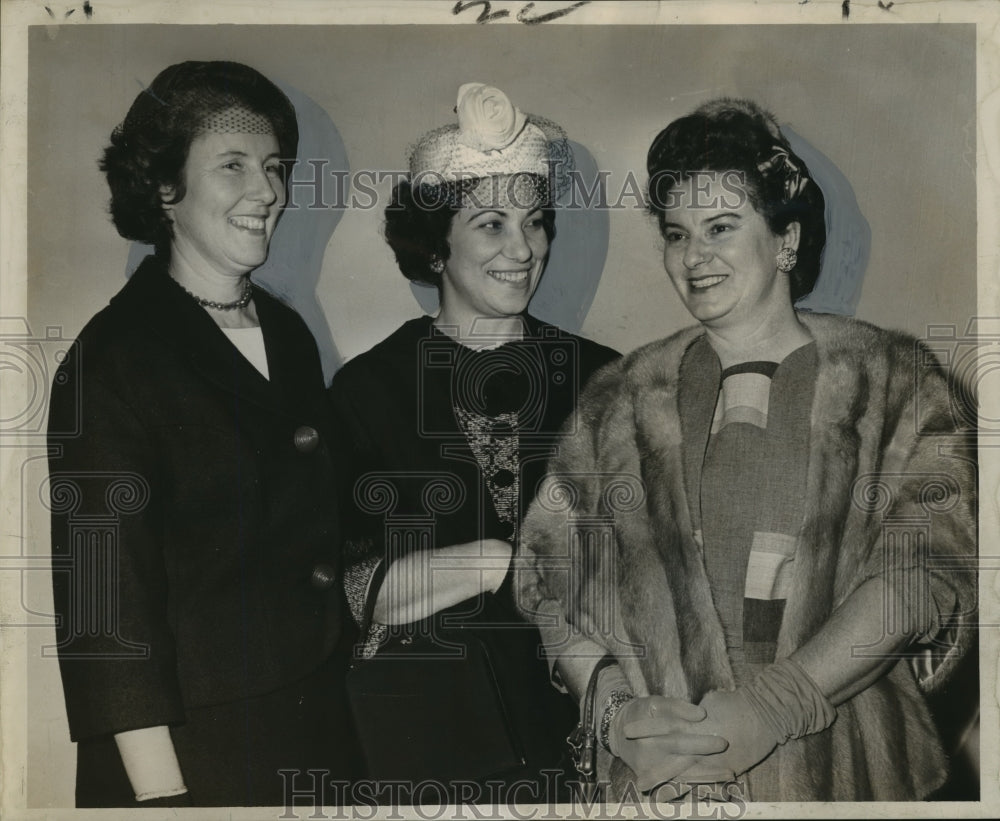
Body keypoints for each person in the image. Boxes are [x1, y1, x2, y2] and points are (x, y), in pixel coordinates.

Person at [515, 98, 977, 802]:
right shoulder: (618, 397)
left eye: (721, 227)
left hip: (838, 774)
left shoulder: (896, 384)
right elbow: (544, 578)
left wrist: (774, 705)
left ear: (786, 239)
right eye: (677, 233)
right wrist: (612, 707)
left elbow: (925, 573)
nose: (694, 256)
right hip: (657, 787)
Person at [46, 60, 360, 807]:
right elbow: (104, 610)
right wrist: (165, 795)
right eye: (232, 166)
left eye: (276, 167)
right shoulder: (112, 358)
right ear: (164, 188)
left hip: (316, 729)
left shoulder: (284, 331)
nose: (267, 192)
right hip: (189, 758)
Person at [330, 83, 620, 802]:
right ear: (436, 248)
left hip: (589, 739)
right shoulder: (368, 391)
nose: (523, 249)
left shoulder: (606, 378)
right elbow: (349, 590)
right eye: (491, 224)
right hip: (434, 752)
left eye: (534, 222)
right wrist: (499, 560)